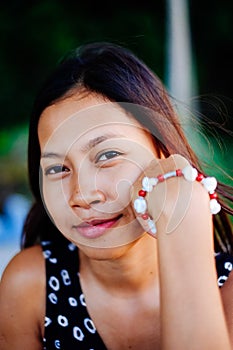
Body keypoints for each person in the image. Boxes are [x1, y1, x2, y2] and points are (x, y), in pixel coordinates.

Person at [0, 41, 233, 350]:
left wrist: (183, 219)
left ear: (163, 150)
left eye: (107, 154)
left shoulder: (227, 289)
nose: (82, 195)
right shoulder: (30, 287)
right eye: (57, 169)